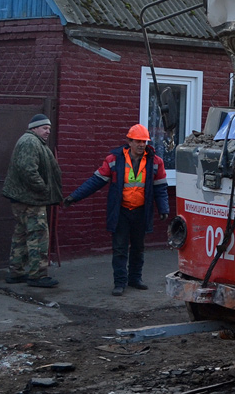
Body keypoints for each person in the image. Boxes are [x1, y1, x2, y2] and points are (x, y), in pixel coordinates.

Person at [63, 124, 169, 296]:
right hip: (121, 211)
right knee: (119, 248)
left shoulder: (155, 162)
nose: (141, 145)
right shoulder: (114, 159)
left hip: (141, 211)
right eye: (138, 141)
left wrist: (164, 208)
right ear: (129, 141)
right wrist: (74, 197)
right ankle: (120, 283)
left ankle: (135, 279)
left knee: (138, 248)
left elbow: (161, 187)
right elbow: (96, 181)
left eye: (144, 141)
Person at [2, 113, 63, 288]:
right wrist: (43, 188)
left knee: (21, 235)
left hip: (23, 198)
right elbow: (28, 170)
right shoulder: (30, 142)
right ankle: (37, 275)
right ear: (34, 128)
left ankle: (16, 272)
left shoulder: (31, 141)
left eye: (49, 128)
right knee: (38, 236)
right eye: (44, 128)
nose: (48, 131)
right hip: (31, 200)